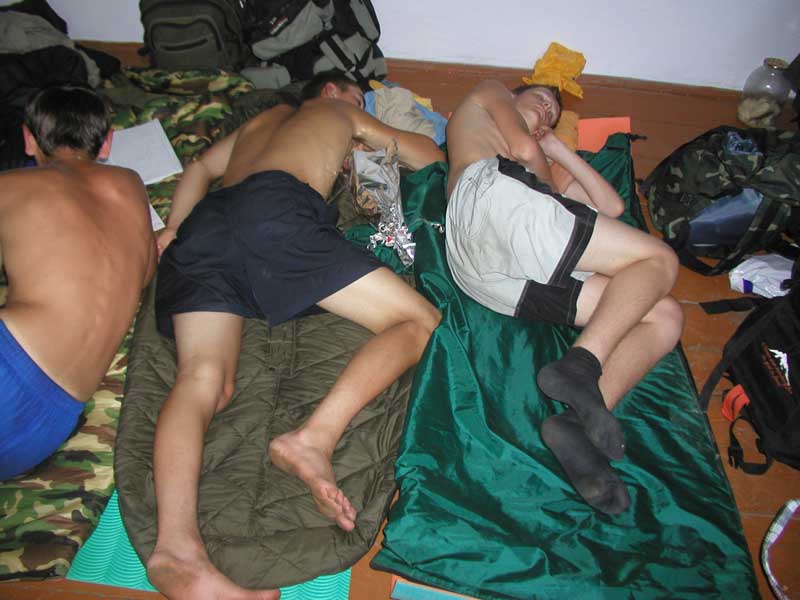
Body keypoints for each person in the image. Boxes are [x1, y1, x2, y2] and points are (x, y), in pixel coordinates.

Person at [148, 72, 444, 599]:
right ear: (329, 92)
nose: (362, 103)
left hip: (207, 225)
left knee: (203, 379)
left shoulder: (260, 123)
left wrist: (172, 228)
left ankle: (175, 549)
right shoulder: (336, 112)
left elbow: (199, 167)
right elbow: (430, 157)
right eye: (356, 95)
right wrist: (365, 131)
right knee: (419, 322)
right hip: (276, 212)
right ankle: (312, 439)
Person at [445, 80, 684, 515]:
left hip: (487, 275)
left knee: (665, 316)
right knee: (661, 260)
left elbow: (611, 207)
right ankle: (579, 366)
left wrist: (557, 148)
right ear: (514, 96)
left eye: (554, 115)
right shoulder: (489, 93)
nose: (546, 109)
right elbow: (522, 148)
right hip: (492, 200)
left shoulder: (543, 167)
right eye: (540, 98)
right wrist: (543, 161)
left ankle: (576, 421)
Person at [0, 85, 157, 480]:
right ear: (107, 143)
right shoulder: (131, 183)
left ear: (28, 139)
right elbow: (146, 273)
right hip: (41, 432)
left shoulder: (8, 184)